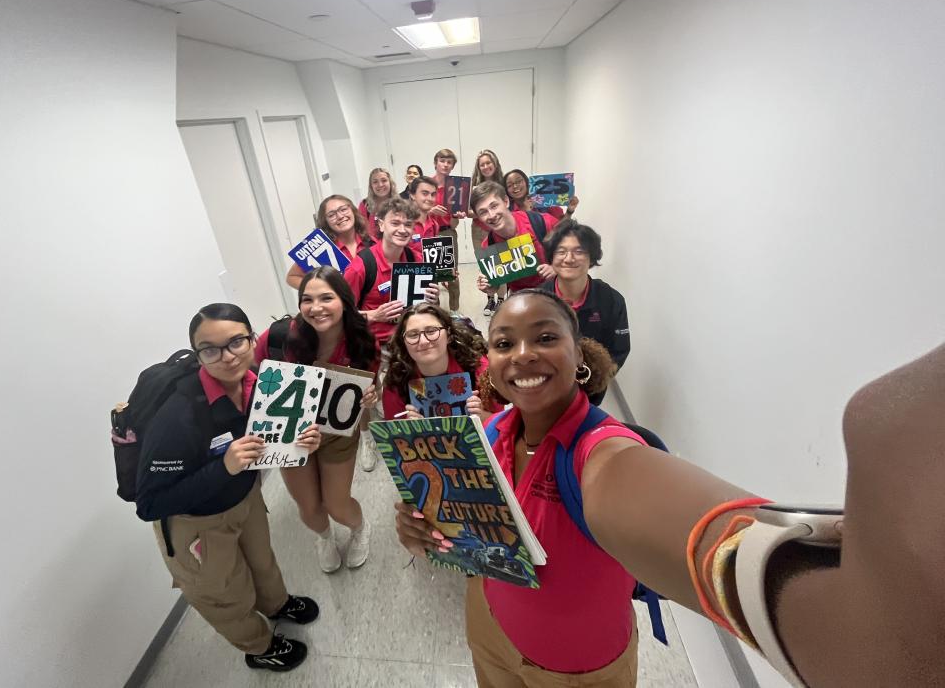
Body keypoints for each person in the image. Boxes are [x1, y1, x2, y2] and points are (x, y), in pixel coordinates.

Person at [397, 290, 945, 687]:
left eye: (544, 337)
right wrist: (424, 526)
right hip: (489, 628)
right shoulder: (488, 433)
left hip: (576, 669)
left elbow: (709, 541)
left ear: (579, 356)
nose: (522, 354)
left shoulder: (602, 457)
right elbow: (466, 533)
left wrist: (798, 576)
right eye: (504, 342)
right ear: (488, 366)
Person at [135, 303, 321, 673]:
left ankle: (276, 604)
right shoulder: (178, 416)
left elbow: (268, 441)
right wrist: (224, 467)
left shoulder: (258, 381)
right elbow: (150, 504)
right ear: (198, 353)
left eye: (236, 341)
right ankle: (260, 646)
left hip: (244, 497)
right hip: (197, 522)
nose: (227, 356)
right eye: (211, 349)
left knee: (262, 561)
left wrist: (301, 442)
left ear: (253, 340)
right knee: (225, 593)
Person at [255, 268, 379, 573]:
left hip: (336, 431)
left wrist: (370, 398)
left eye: (327, 298)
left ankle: (360, 528)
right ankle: (323, 537)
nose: (316, 307)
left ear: (344, 301)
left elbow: (371, 382)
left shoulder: (361, 340)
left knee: (337, 505)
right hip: (290, 432)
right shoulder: (279, 337)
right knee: (309, 508)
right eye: (307, 299)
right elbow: (252, 374)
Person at [343, 196, 440, 469]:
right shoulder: (361, 266)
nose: (402, 229)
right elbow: (340, 314)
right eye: (395, 222)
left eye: (408, 224)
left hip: (407, 337)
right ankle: (366, 436)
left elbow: (424, 307)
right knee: (367, 390)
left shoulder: (415, 258)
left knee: (415, 382)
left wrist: (432, 297)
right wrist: (373, 315)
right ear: (380, 225)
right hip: (369, 341)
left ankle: (416, 431)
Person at [541, 221, 629, 405]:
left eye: (579, 251)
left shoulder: (611, 300)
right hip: (543, 390)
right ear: (551, 257)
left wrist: (593, 384)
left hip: (590, 394)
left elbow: (618, 352)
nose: (569, 258)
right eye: (561, 251)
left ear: (592, 258)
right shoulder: (536, 300)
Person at [381, 302, 494, 420]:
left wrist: (483, 416)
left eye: (431, 331)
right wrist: (410, 430)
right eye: (413, 335)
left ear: (449, 335)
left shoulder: (479, 367)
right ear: (403, 342)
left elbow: (503, 425)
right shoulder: (396, 381)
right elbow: (392, 434)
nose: (423, 341)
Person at [472, 180, 558, 299]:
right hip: (521, 299)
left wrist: (556, 268)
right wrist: (487, 286)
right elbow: (494, 287)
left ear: (506, 201)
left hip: (555, 294)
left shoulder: (543, 222)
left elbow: (577, 254)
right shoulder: (488, 245)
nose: (491, 215)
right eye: (483, 212)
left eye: (494, 206)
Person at [286, 194, 371, 290]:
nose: (340, 216)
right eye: (331, 215)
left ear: (353, 211)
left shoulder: (372, 241)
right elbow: (292, 277)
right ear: (325, 222)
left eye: (343, 210)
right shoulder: (319, 247)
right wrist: (321, 289)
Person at [471, 150, 505, 317]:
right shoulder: (474, 187)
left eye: (488, 163)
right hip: (479, 230)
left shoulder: (504, 184)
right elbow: (469, 211)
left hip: (500, 229)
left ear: (495, 163)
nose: (485, 167)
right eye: (481, 164)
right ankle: (490, 298)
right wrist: (478, 211)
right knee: (486, 266)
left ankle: (501, 299)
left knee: (503, 265)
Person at [431, 148, 461, 313]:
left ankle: (454, 311)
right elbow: (416, 208)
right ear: (436, 163)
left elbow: (454, 222)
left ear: (452, 166)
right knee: (432, 274)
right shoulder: (427, 184)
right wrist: (430, 210)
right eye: (442, 161)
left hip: (447, 231)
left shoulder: (456, 187)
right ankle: (434, 311)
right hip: (428, 233)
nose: (445, 164)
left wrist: (457, 215)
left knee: (451, 274)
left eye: (449, 162)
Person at [504, 168, 580, 220]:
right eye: (509, 185)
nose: (515, 186)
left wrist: (569, 211)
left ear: (527, 182)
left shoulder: (545, 199)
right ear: (506, 191)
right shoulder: (507, 211)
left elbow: (561, 228)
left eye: (518, 181)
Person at [406, 175, 452, 258]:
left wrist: (445, 270)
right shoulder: (403, 224)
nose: (430, 198)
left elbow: (432, 258)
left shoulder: (434, 225)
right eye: (424, 193)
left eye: (433, 194)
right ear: (412, 195)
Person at [358, 167, 396, 241]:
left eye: (384, 180)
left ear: (390, 183)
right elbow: (360, 231)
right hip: (372, 249)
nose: (380, 185)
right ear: (371, 186)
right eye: (375, 182)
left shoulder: (399, 204)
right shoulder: (364, 205)